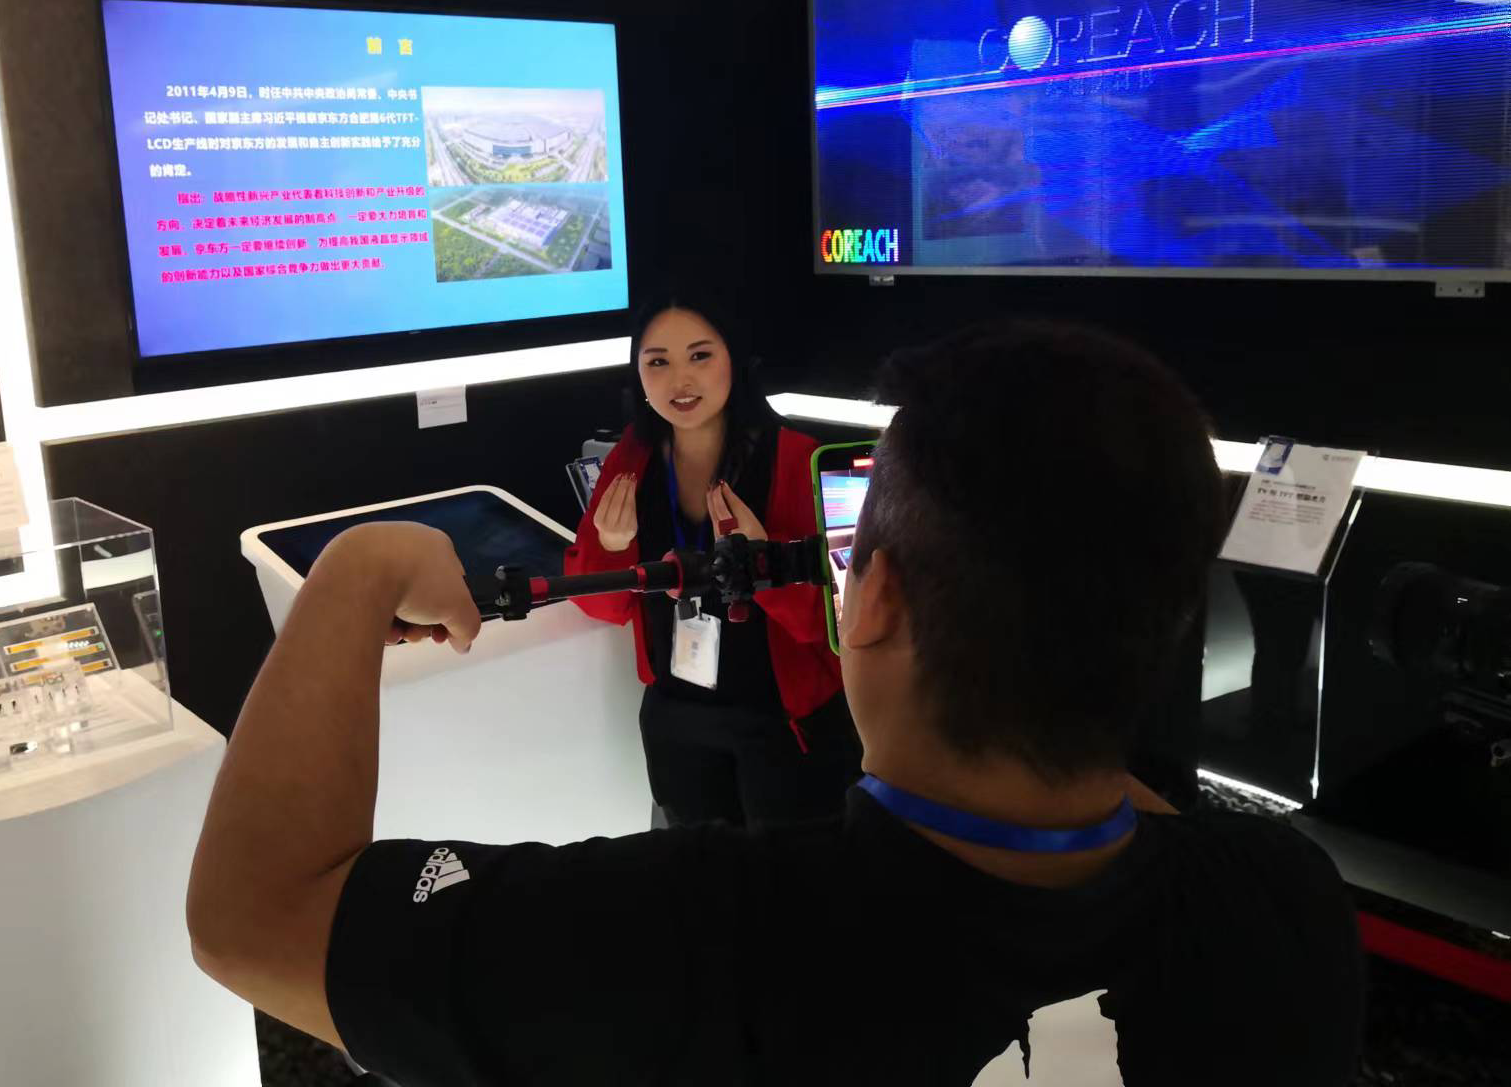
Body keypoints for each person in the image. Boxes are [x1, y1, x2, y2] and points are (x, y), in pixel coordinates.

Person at [187, 320, 1364, 1086]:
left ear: (874, 596)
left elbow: (255, 914)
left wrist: (355, 569)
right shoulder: (1285, 903)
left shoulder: (683, 938)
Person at [565, 290, 861, 828]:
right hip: (676, 718)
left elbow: (842, 620)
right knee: (698, 872)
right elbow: (603, 606)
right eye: (658, 362)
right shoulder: (633, 457)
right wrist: (611, 547)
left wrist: (765, 564)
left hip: (783, 723)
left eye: (700, 356)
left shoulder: (797, 457)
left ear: (734, 359)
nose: (680, 380)